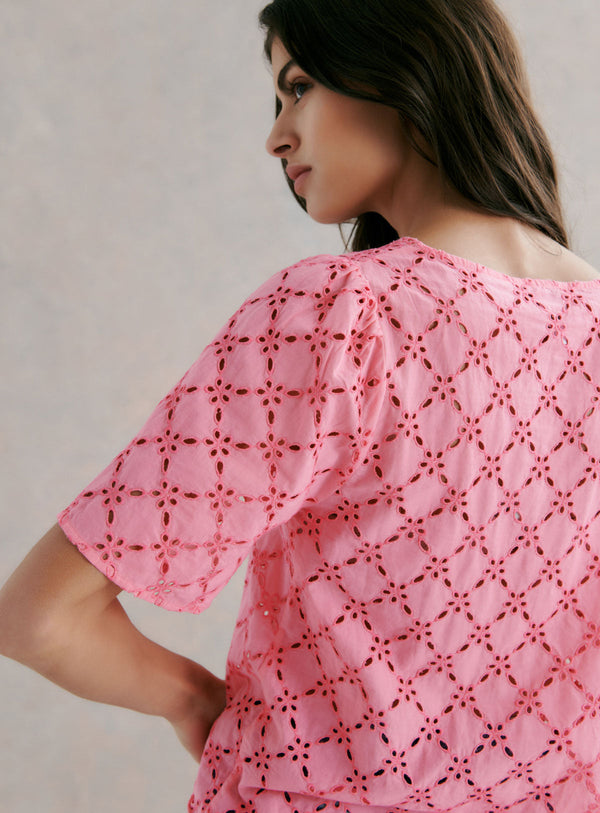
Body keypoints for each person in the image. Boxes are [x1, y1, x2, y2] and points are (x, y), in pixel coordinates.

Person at [1, 0, 599, 810]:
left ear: (405, 69)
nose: (277, 136)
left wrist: (199, 703)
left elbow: (40, 615)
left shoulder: (340, 314)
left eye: (298, 87)